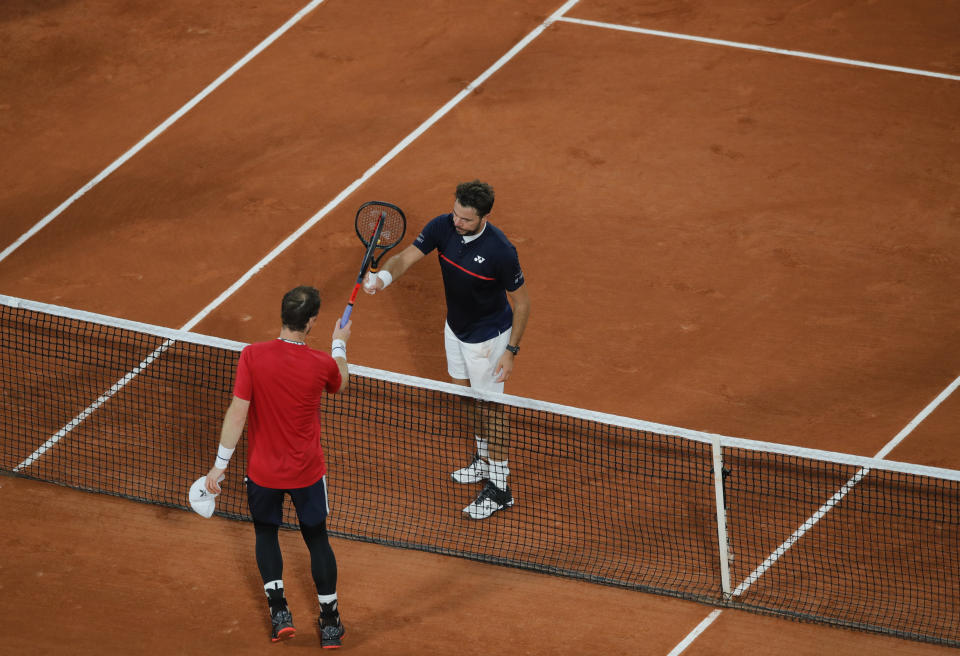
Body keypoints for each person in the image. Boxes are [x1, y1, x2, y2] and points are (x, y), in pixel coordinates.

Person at [363, 180, 530, 520]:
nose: (457, 223)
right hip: (455, 330)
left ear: (483, 217)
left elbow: (523, 304)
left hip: (489, 340)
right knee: (465, 397)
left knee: (493, 411)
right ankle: (483, 462)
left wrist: (511, 350)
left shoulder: (500, 251)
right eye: (456, 214)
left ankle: (500, 489)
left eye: (466, 220)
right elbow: (406, 257)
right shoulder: (442, 225)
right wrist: (382, 279)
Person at [204, 285, 350, 647]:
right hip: (306, 474)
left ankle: (279, 612)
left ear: (283, 316)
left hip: (263, 474)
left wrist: (219, 467)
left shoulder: (252, 356)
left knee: (265, 534)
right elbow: (341, 382)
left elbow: (238, 413)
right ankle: (330, 622)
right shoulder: (321, 365)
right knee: (317, 540)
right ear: (312, 321)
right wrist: (340, 344)